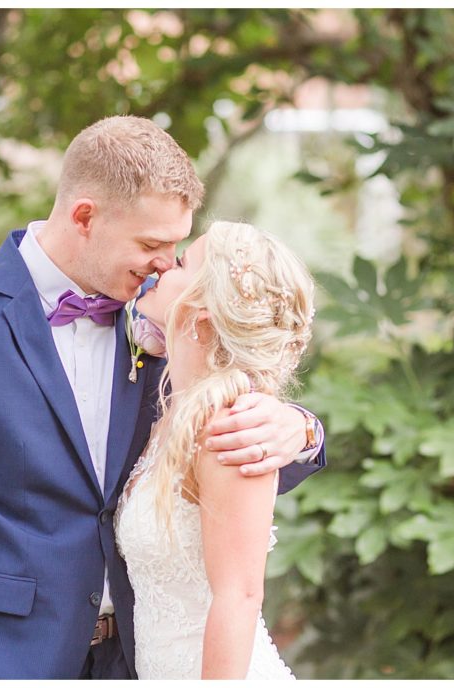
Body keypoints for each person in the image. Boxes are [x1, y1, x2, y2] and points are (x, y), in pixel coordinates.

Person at [0, 116, 325, 680]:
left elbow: (218, 469)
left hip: (140, 658)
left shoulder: (167, 323)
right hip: (6, 659)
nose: (165, 266)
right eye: (152, 244)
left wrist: (299, 429)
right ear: (85, 216)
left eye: (177, 247)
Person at [115, 220, 317, 679]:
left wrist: (305, 429)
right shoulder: (171, 413)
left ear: (201, 310)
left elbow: (239, 596)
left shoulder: (230, 427)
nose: (164, 265)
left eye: (183, 263)